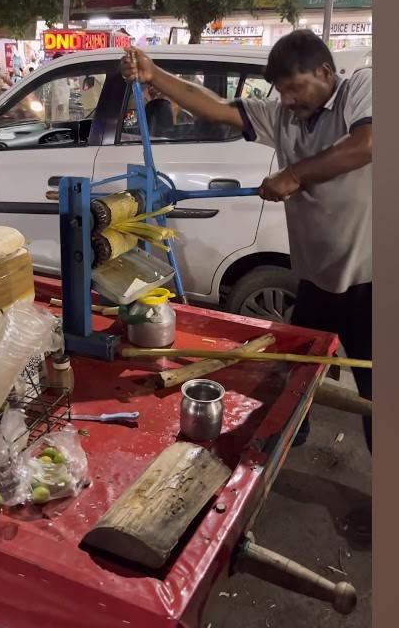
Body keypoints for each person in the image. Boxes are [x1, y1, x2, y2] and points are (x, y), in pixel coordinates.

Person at [121, 29, 372, 451]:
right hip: (317, 280)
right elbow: (217, 109)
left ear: (325, 72)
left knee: (376, 392)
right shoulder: (282, 116)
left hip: (371, 281)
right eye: (281, 92)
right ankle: (288, 440)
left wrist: (293, 174)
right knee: (296, 370)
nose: (287, 100)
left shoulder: (359, 89)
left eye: (294, 88)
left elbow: (367, 144)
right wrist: (154, 75)